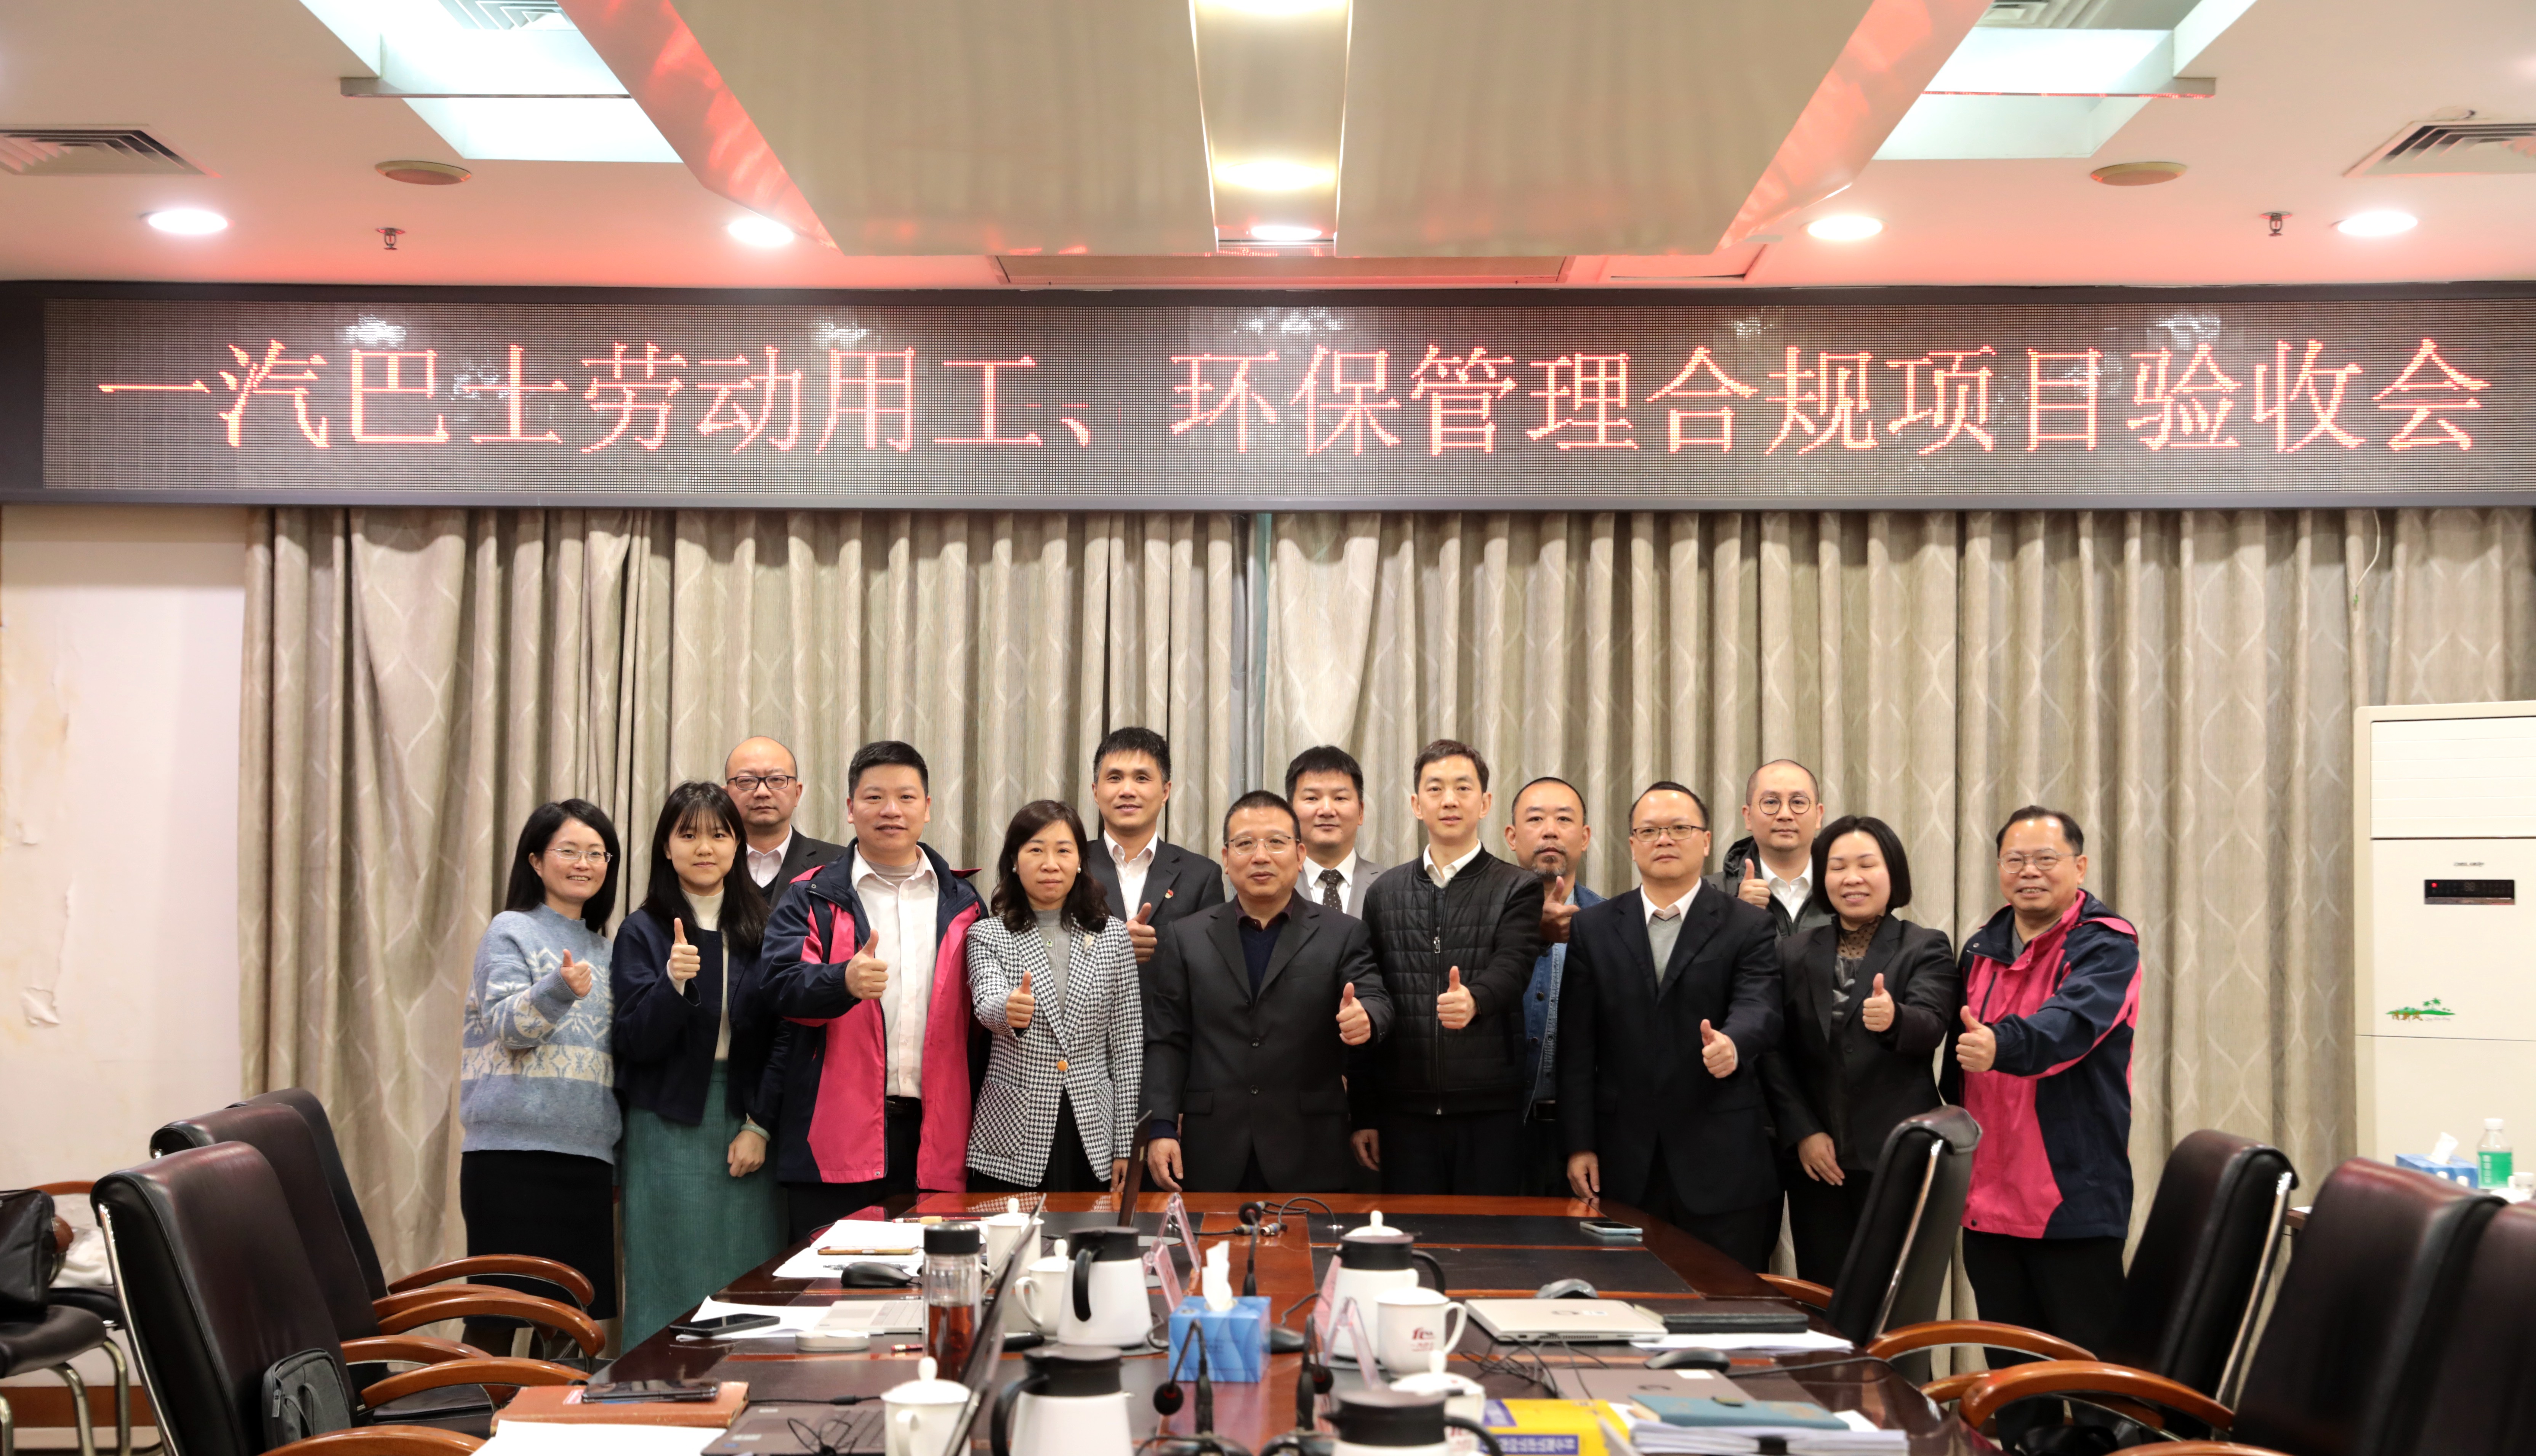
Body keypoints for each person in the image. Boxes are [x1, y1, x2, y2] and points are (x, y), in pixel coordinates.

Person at [761, 741, 987, 1243]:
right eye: (874, 797)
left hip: (938, 1138)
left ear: (927, 808)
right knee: (830, 1284)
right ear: (850, 808)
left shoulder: (964, 903)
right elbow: (776, 986)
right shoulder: (810, 894)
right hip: (834, 1138)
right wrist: (840, 980)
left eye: (906, 797)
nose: (891, 810)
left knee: (933, 1281)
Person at [1560, 782, 1782, 1270]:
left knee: (1725, 1299)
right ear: (1632, 844)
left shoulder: (1747, 924)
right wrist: (1579, 1143)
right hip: (1623, 1161)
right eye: (1649, 830)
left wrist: (1732, 1043)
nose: (1664, 839)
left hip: (1721, 1160)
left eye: (1679, 828)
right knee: (1629, 1297)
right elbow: (1576, 1047)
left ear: (1705, 841)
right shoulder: (1593, 927)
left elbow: (1760, 1006)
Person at [1946, 806, 2141, 1360]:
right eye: (2014, 860)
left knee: (2091, 1376)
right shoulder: (1979, 947)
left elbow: (2068, 1027)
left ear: (2079, 866)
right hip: (1987, 1199)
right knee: (2010, 1376)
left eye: (2045, 859)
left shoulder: (2106, 945)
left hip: (2070, 1199)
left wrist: (2000, 1045)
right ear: (1999, 870)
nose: (2028, 871)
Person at [1143, 790, 1392, 1193]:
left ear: (1300, 854)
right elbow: (1168, 1039)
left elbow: (1375, 998)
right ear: (1226, 858)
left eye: (1276, 842)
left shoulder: (1342, 932)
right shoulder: (1187, 936)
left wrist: (1366, 1018)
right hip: (1211, 1146)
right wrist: (1161, 1125)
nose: (1261, 856)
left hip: (1309, 1146)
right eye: (1245, 844)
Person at [611, 781, 785, 1342]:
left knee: (748, 1277)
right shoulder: (643, 929)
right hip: (664, 1122)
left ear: (738, 845)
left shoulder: (766, 926)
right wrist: (672, 984)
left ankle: (750, 1386)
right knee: (667, 1277)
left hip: (746, 1118)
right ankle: (657, 1385)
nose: (704, 848)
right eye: (688, 835)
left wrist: (759, 1124)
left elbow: (783, 1038)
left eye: (718, 834)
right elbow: (633, 1042)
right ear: (666, 847)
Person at [1758, 815, 1961, 1284]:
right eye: (1838, 866)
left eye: (1866, 864)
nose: (1852, 878)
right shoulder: (1792, 952)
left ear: (1893, 873)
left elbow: (1931, 1024)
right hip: (1816, 1161)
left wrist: (1895, 1018)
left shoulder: (1924, 946)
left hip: (1897, 1155)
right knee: (1823, 1295)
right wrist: (1803, 1131)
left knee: (1895, 1300)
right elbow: (1772, 1050)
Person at [459, 798, 623, 1350]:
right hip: (510, 1158)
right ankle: (478, 1410)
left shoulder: (608, 949)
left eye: (597, 853)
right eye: (568, 851)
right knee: (496, 1315)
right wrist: (559, 988)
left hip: (587, 1159)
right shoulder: (510, 930)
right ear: (535, 860)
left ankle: (557, 1411)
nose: (584, 864)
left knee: (572, 1326)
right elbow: (509, 1027)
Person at [1356, 739, 1545, 1196]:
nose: (1449, 800)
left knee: (1488, 1236)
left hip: (1489, 1109)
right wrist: (1364, 1113)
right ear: (1416, 804)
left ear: (1484, 802)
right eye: (1435, 788)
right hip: (1404, 1111)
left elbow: (1514, 964)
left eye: (1463, 787)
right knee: (1412, 1234)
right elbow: (1372, 994)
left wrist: (1475, 998)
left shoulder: (1518, 886)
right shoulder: (1384, 892)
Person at [963, 800, 1143, 1193]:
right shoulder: (987, 934)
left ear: (1079, 861)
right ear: (1014, 861)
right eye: (1035, 850)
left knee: (1093, 1232)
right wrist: (1009, 1009)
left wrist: (1125, 1145)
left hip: (1094, 1130)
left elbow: (1127, 1047)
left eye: (1063, 850)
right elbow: (986, 999)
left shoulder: (1113, 935)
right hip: (1012, 1132)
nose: (1050, 864)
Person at [1502, 776, 1603, 1197]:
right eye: (1535, 819)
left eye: (1564, 819)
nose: (1550, 831)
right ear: (1511, 836)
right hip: (1499, 1130)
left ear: (1585, 837)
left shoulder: (1610, 922)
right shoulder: (1485, 919)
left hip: (1585, 1135)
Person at [1084, 727, 1224, 964]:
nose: (1127, 791)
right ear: (1096, 792)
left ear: (1165, 792)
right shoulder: (1070, 867)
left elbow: (1210, 965)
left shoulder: (1201, 876)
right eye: (1115, 778)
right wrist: (1112, 947)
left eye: (1142, 778)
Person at [1706, 760, 1834, 940]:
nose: (1785, 815)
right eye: (1771, 802)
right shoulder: (1710, 894)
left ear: (1819, 815)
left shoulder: (1842, 887)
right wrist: (1737, 920)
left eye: (1798, 802)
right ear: (1748, 816)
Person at [726, 735, 845, 897]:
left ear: (797, 793)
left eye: (776, 779)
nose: (762, 792)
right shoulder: (706, 864)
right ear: (726, 795)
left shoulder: (839, 864)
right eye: (747, 781)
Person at [1286, 745, 1386, 917]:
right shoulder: (1272, 885)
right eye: (1312, 798)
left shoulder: (1390, 886)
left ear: (1361, 812)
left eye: (1340, 798)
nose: (1327, 810)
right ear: (1289, 812)